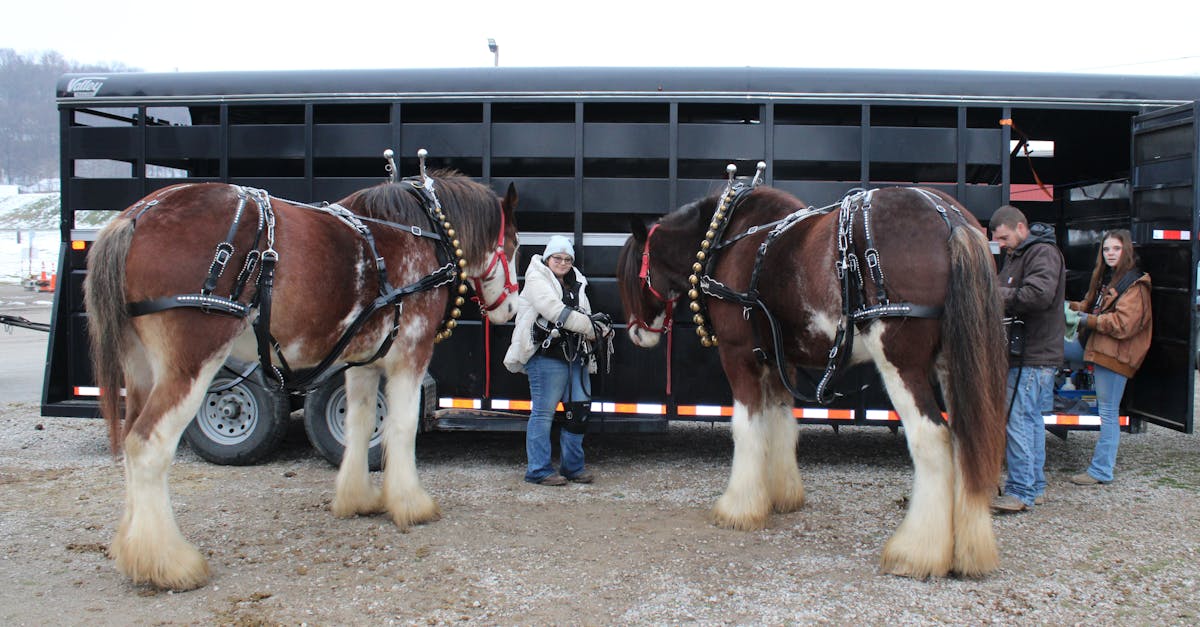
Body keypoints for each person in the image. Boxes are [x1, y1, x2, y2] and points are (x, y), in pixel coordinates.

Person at [503, 235, 609, 486]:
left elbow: (583, 312)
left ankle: (573, 467)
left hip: (575, 356)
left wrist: (597, 327)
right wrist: (592, 328)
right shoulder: (536, 277)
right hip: (545, 355)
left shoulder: (577, 282)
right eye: (557, 257)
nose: (562, 262)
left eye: (567, 258)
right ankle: (538, 470)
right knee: (543, 413)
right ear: (548, 258)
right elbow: (552, 309)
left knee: (579, 412)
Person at [990, 205, 1066, 513]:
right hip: (1033, 353)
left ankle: (1019, 491)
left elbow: (1038, 295)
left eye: (1005, 237)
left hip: (1032, 354)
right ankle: (1034, 487)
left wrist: (990, 295)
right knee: (1031, 420)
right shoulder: (1021, 255)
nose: (1003, 244)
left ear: (1022, 227)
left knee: (1017, 419)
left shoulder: (1042, 253)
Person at [1064, 229, 1152, 486]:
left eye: (1116, 248)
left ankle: (1102, 470)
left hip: (1115, 355)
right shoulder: (1110, 279)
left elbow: (1124, 324)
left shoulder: (1135, 285)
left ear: (1126, 251)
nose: (1110, 253)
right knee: (1048, 348)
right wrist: (1065, 306)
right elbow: (1090, 307)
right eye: (1106, 249)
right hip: (1098, 346)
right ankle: (1043, 396)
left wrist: (1085, 319)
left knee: (1108, 412)